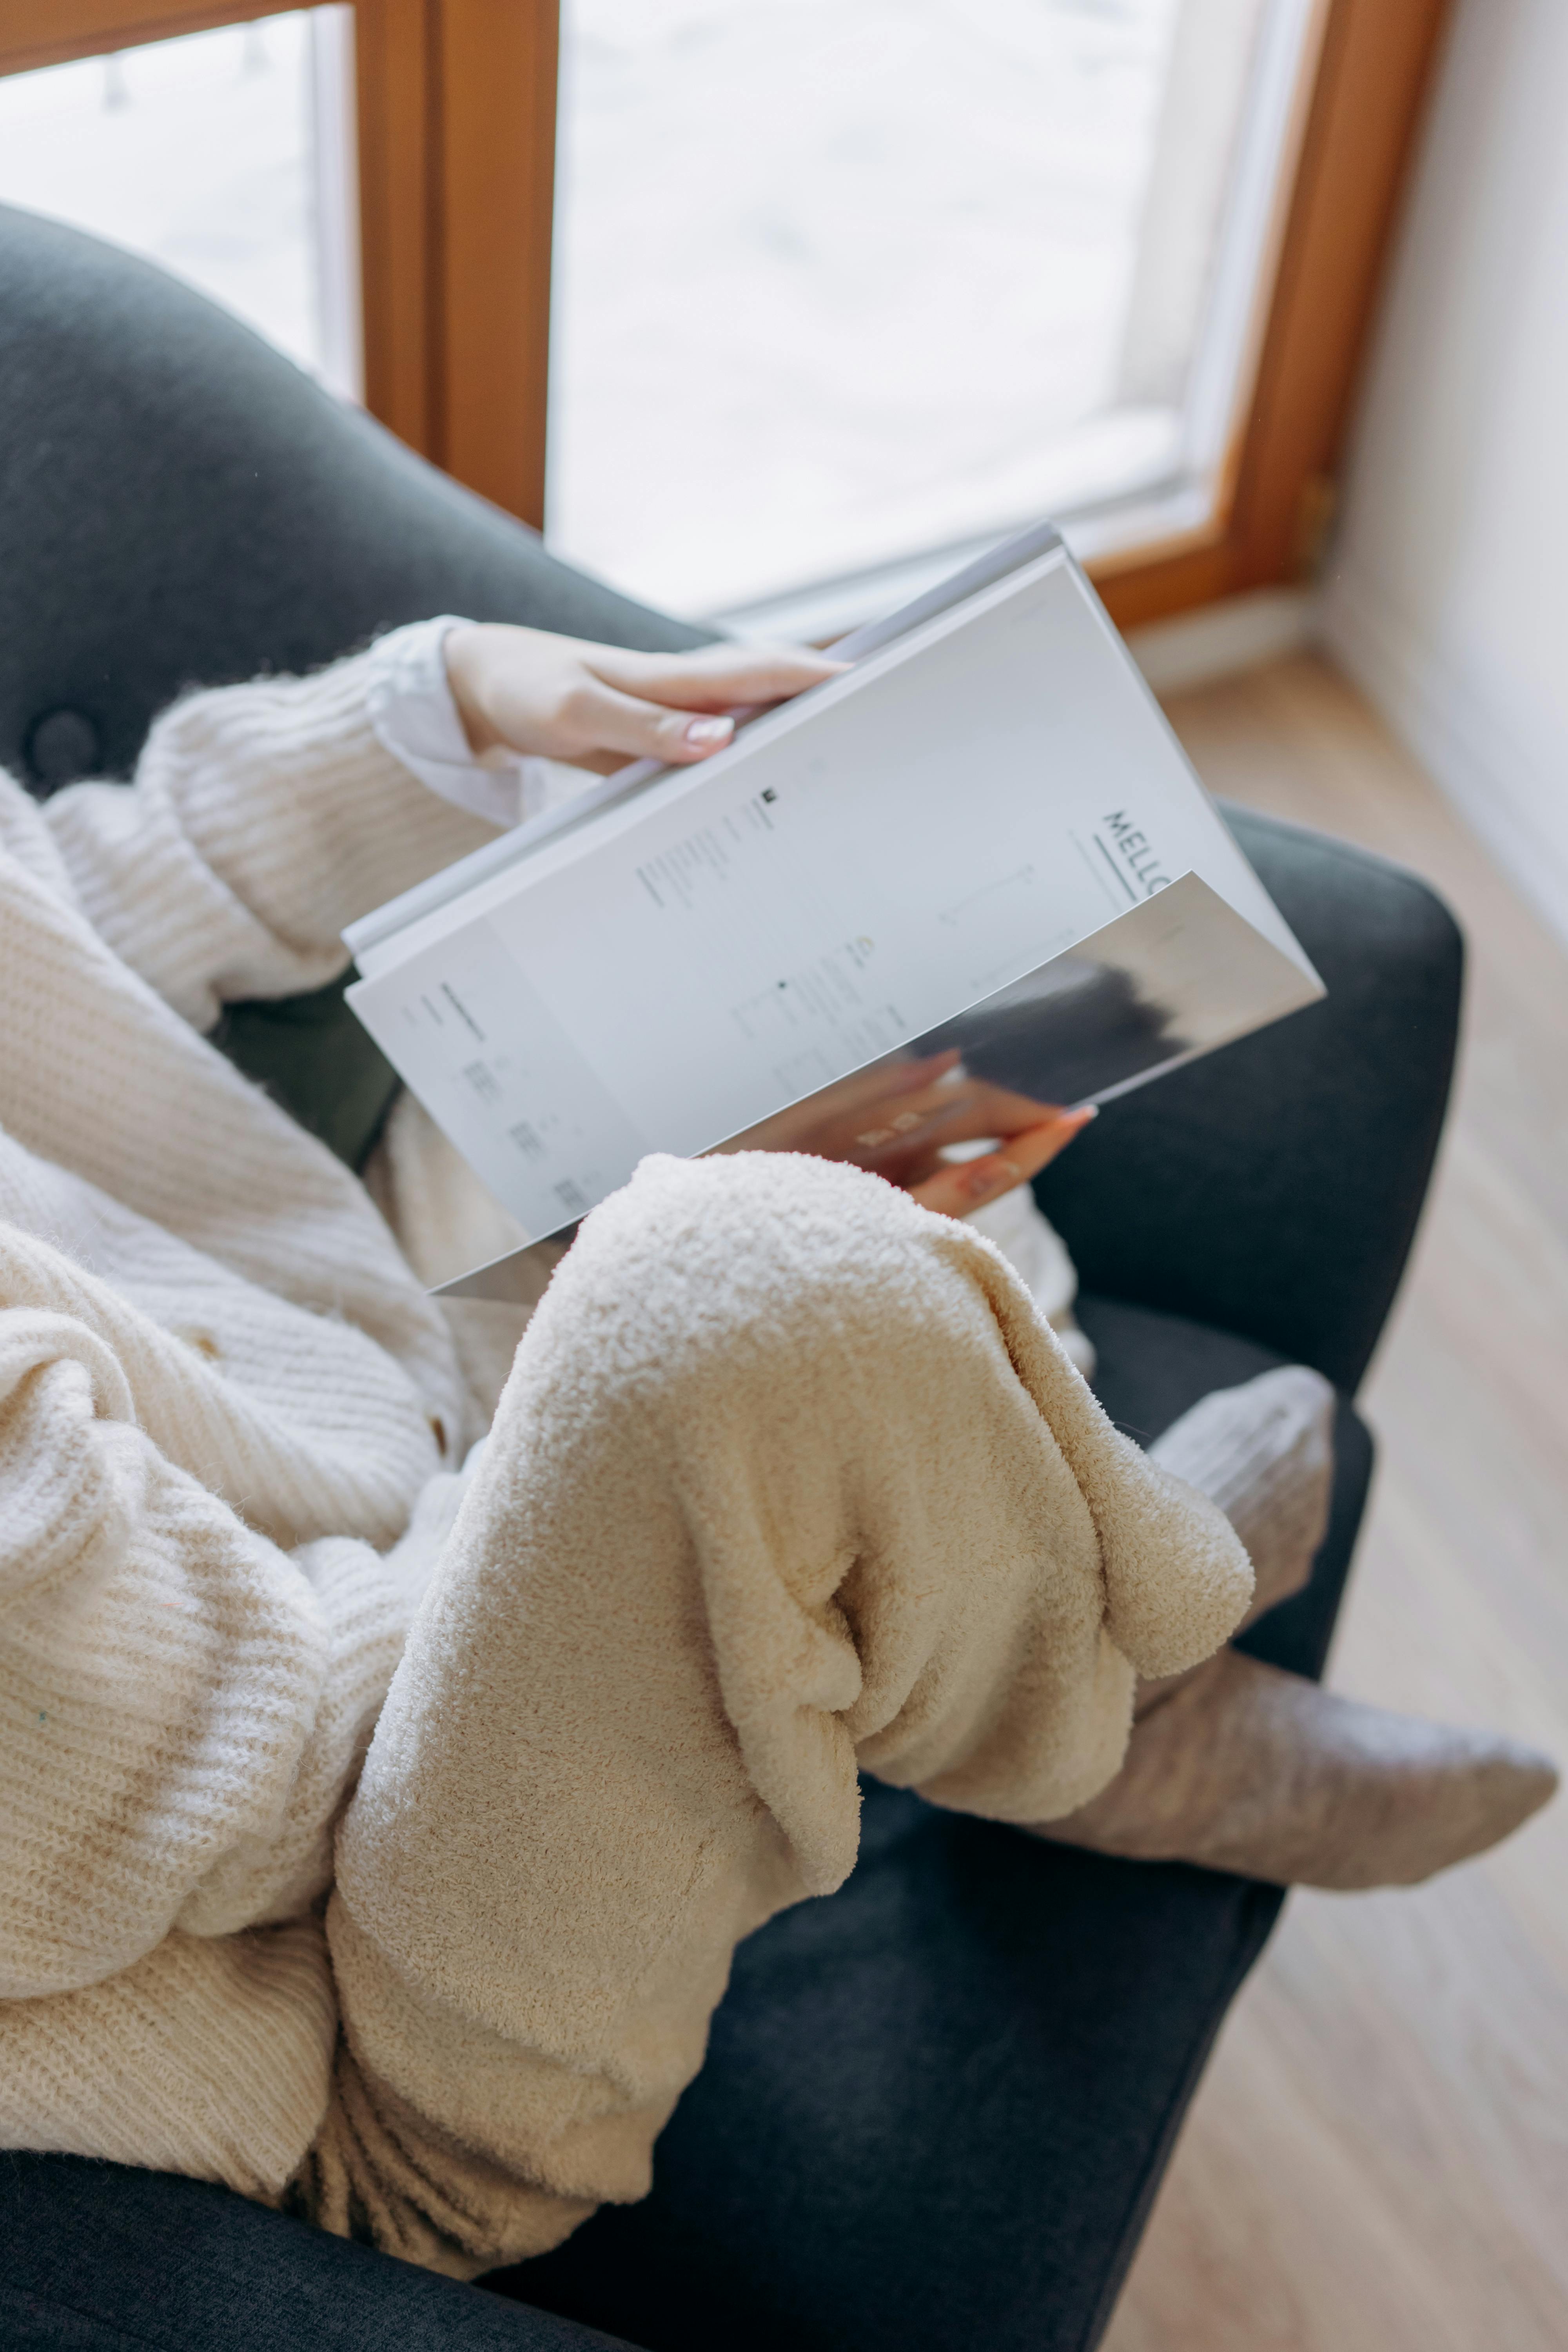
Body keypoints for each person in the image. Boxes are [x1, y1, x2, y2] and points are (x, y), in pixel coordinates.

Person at [0, 620, 1553, 2278]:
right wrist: (639, 1377)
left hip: (352, 1362)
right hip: (347, 1984)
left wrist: (456, 708)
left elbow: (86, 918)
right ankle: (1108, 1702)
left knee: (787, 1070)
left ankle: (1011, 1604)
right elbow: (278, 1769)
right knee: (744, 1292)